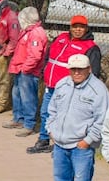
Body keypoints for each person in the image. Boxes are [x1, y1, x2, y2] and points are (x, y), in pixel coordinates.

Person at [38, 53, 109, 181]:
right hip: (60, 143)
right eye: (73, 69)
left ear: (89, 69)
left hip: (81, 147)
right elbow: (51, 109)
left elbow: (103, 120)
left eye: (81, 69)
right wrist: (50, 130)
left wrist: (87, 141)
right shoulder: (63, 84)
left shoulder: (98, 91)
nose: (76, 73)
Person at [30, 15, 102, 152]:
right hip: (51, 85)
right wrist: (44, 71)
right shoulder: (61, 38)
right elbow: (48, 56)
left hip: (69, 89)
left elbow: (94, 72)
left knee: (65, 117)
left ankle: (61, 145)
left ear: (86, 28)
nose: (78, 30)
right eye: (75, 26)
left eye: (81, 27)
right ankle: (44, 139)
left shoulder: (91, 47)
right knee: (46, 112)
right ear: (70, 27)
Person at [5, 7, 47, 139]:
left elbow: (35, 55)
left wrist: (26, 68)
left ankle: (29, 124)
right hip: (20, 68)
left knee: (28, 98)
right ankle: (18, 118)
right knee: (17, 94)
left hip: (28, 71)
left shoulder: (36, 33)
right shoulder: (28, 31)